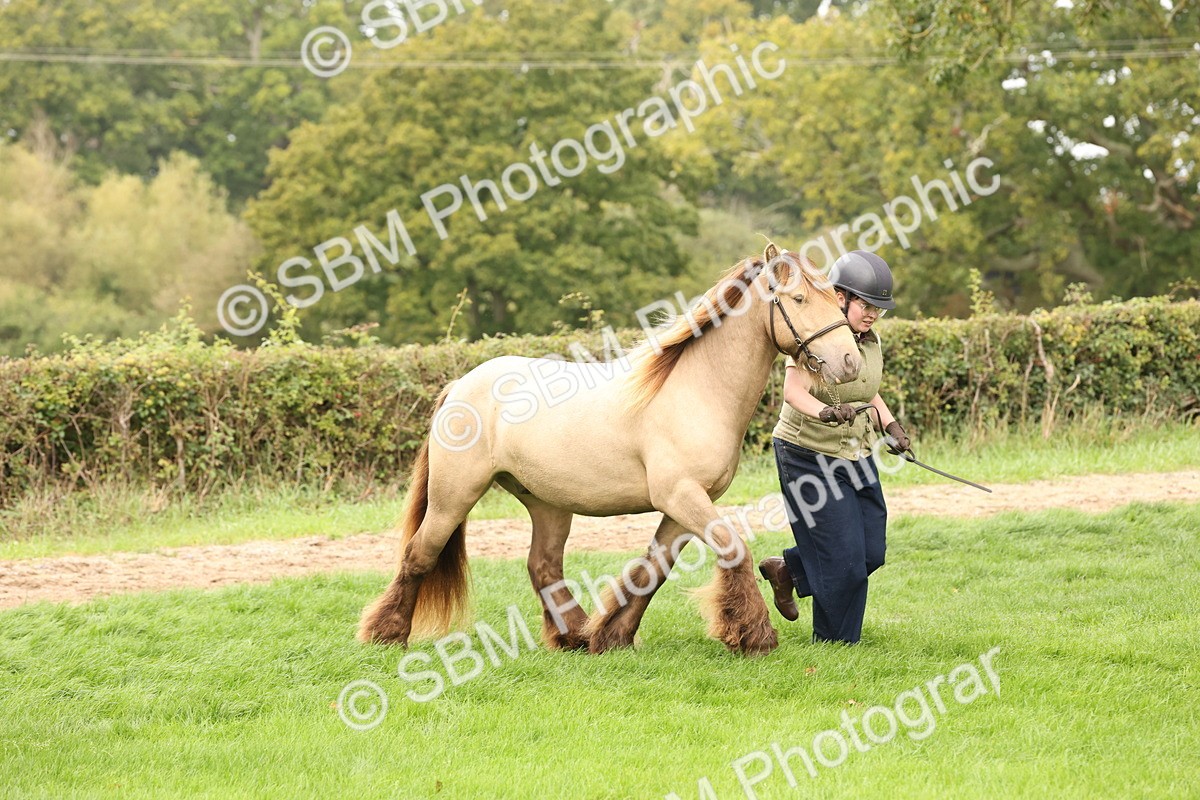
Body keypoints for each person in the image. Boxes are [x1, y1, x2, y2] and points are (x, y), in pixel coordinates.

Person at [757, 250, 911, 645]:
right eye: (865, 303)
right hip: (807, 455)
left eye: (879, 307)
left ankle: (788, 570)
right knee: (843, 563)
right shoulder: (818, 337)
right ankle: (835, 645)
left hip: (855, 454)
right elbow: (793, 392)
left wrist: (891, 426)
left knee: (871, 553)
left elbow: (868, 394)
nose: (873, 313)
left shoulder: (870, 342)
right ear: (840, 297)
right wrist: (825, 412)